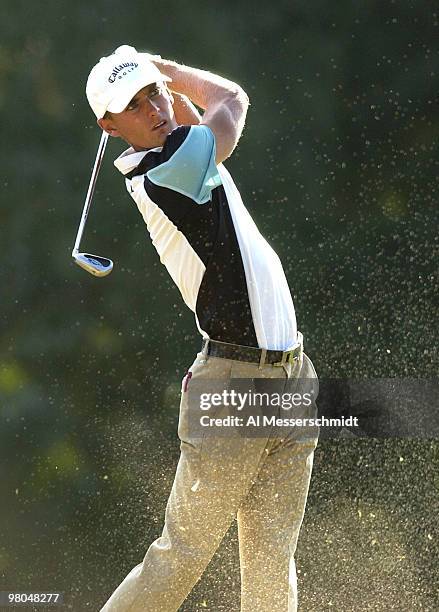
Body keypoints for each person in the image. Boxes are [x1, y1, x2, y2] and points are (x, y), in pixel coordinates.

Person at [86, 44, 319, 612]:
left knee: (271, 567)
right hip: (234, 384)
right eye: (134, 106)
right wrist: (164, 68)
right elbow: (231, 101)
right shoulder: (169, 170)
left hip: (290, 376)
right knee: (180, 559)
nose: (155, 108)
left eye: (154, 94)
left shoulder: (178, 149)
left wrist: (158, 84)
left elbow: (195, 117)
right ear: (110, 126)